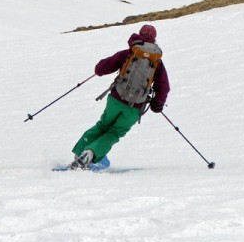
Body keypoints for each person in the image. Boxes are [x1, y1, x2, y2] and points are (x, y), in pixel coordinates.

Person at [70, 24, 170, 170]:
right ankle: (91, 153)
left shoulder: (129, 53)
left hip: (116, 100)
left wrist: (100, 71)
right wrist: (157, 104)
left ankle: (80, 153)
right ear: (154, 39)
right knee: (114, 132)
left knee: (102, 126)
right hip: (134, 108)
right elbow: (164, 87)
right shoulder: (156, 62)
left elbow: (101, 68)